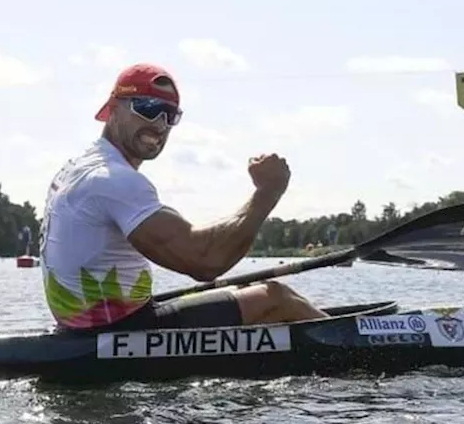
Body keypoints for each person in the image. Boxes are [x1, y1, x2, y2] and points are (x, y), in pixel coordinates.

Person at [39, 62, 327, 332]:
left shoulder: (75, 168)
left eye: (170, 114)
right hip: (123, 329)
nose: (160, 125)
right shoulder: (113, 179)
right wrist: (268, 192)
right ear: (113, 109)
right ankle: (360, 343)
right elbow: (206, 262)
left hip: (91, 327)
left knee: (253, 289)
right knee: (275, 297)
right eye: (148, 108)